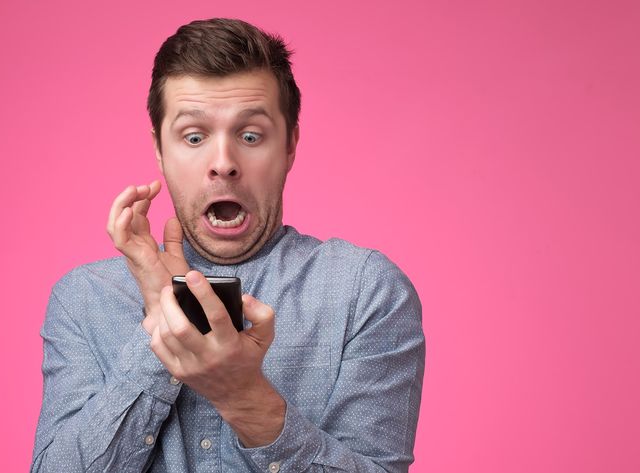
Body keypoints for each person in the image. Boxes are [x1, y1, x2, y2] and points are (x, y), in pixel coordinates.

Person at [31, 18, 425, 473]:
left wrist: (243, 396)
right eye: (194, 137)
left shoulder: (366, 293)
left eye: (251, 136)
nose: (223, 164)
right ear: (160, 148)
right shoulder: (83, 299)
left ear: (290, 145)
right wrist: (164, 320)